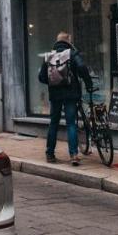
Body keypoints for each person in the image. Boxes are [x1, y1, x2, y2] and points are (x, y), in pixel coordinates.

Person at [40, 31, 94, 166]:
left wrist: (54, 83)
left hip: (55, 96)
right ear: (68, 41)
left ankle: (50, 154)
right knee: (71, 124)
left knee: (54, 123)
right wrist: (88, 84)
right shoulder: (72, 54)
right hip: (71, 94)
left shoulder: (49, 56)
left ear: (57, 41)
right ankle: (74, 155)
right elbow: (82, 66)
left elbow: (41, 77)